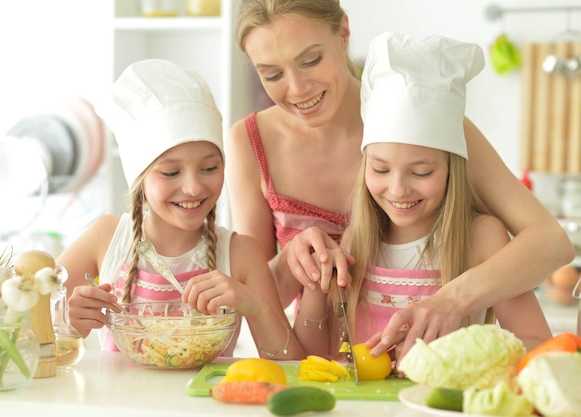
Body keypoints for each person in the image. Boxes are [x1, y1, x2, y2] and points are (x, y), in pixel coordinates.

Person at [225, 0, 573, 362]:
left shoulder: (427, 120)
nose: (297, 89)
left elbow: (551, 243)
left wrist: (449, 302)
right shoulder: (248, 142)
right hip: (328, 360)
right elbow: (258, 299)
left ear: (344, 33)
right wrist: (296, 261)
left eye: (311, 60)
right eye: (272, 74)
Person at [293, 32, 552, 365]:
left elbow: (539, 344)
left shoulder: (481, 238)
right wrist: (315, 282)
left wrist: (461, 356)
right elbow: (318, 354)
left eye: (421, 173)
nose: (399, 190)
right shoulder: (360, 237)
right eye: (381, 170)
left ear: (450, 170)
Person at [57, 59, 305, 360]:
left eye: (209, 167)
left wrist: (254, 305)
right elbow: (29, 333)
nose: (193, 188)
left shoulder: (241, 254)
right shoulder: (106, 238)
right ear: (140, 178)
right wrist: (68, 325)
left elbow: (291, 366)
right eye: (171, 173)